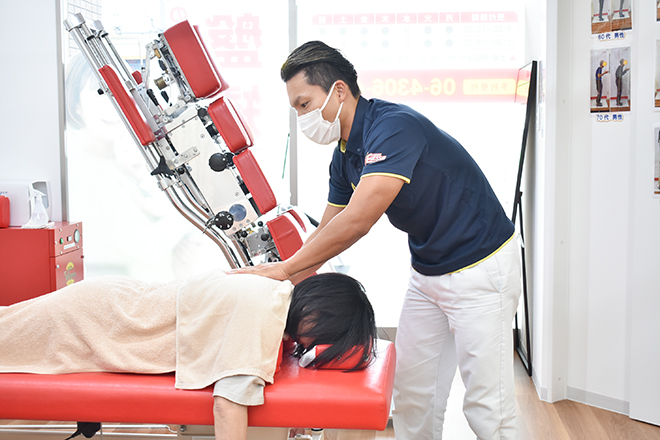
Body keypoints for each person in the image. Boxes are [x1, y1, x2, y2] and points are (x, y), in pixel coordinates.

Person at [232, 41, 522, 440]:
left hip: (481, 269)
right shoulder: (344, 154)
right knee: (413, 396)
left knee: (489, 408)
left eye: (303, 104)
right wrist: (276, 290)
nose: (301, 117)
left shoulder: (393, 126)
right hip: (428, 272)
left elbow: (358, 219)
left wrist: (284, 269)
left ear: (337, 90)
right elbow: (327, 229)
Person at [0, 270, 376, 440]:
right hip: (95, 320)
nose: (315, 346)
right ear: (319, 314)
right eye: (325, 336)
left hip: (115, 306)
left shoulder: (273, 299)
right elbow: (228, 405)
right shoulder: (262, 315)